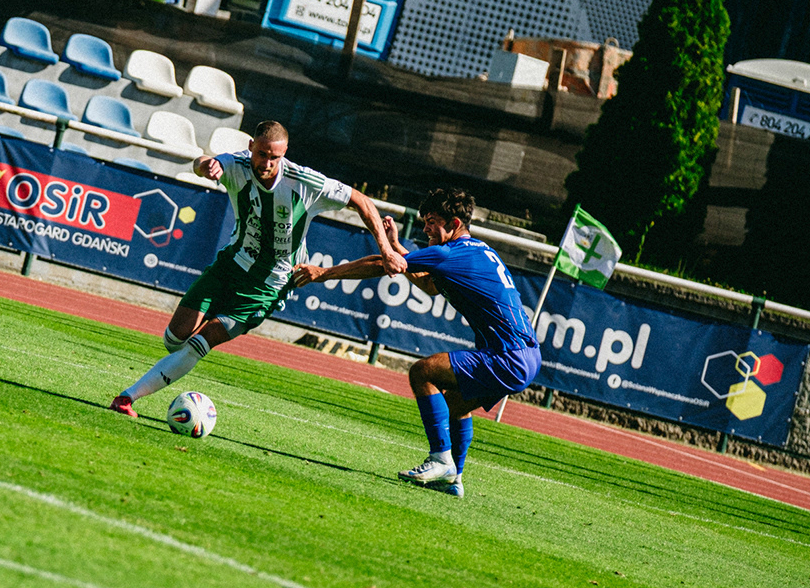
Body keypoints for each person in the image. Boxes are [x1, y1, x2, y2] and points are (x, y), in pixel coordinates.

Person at [110, 120, 405, 417]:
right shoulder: (236, 164)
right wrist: (205, 166)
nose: (266, 163)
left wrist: (386, 249)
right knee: (174, 340)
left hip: (268, 286)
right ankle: (167, 369)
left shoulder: (304, 182)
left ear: (285, 153)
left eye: (274, 157)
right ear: (251, 146)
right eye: (261, 154)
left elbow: (362, 200)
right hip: (230, 265)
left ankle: (126, 398)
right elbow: (202, 163)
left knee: (202, 341)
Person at [292, 187, 540, 497]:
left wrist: (324, 272)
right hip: (526, 356)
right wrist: (397, 246)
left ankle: (440, 460)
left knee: (422, 372)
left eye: (431, 222)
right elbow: (430, 286)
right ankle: (454, 478)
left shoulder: (450, 253)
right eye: (424, 222)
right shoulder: (475, 249)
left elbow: (384, 263)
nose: (425, 229)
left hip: (508, 355)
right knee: (455, 405)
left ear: (453, 223)